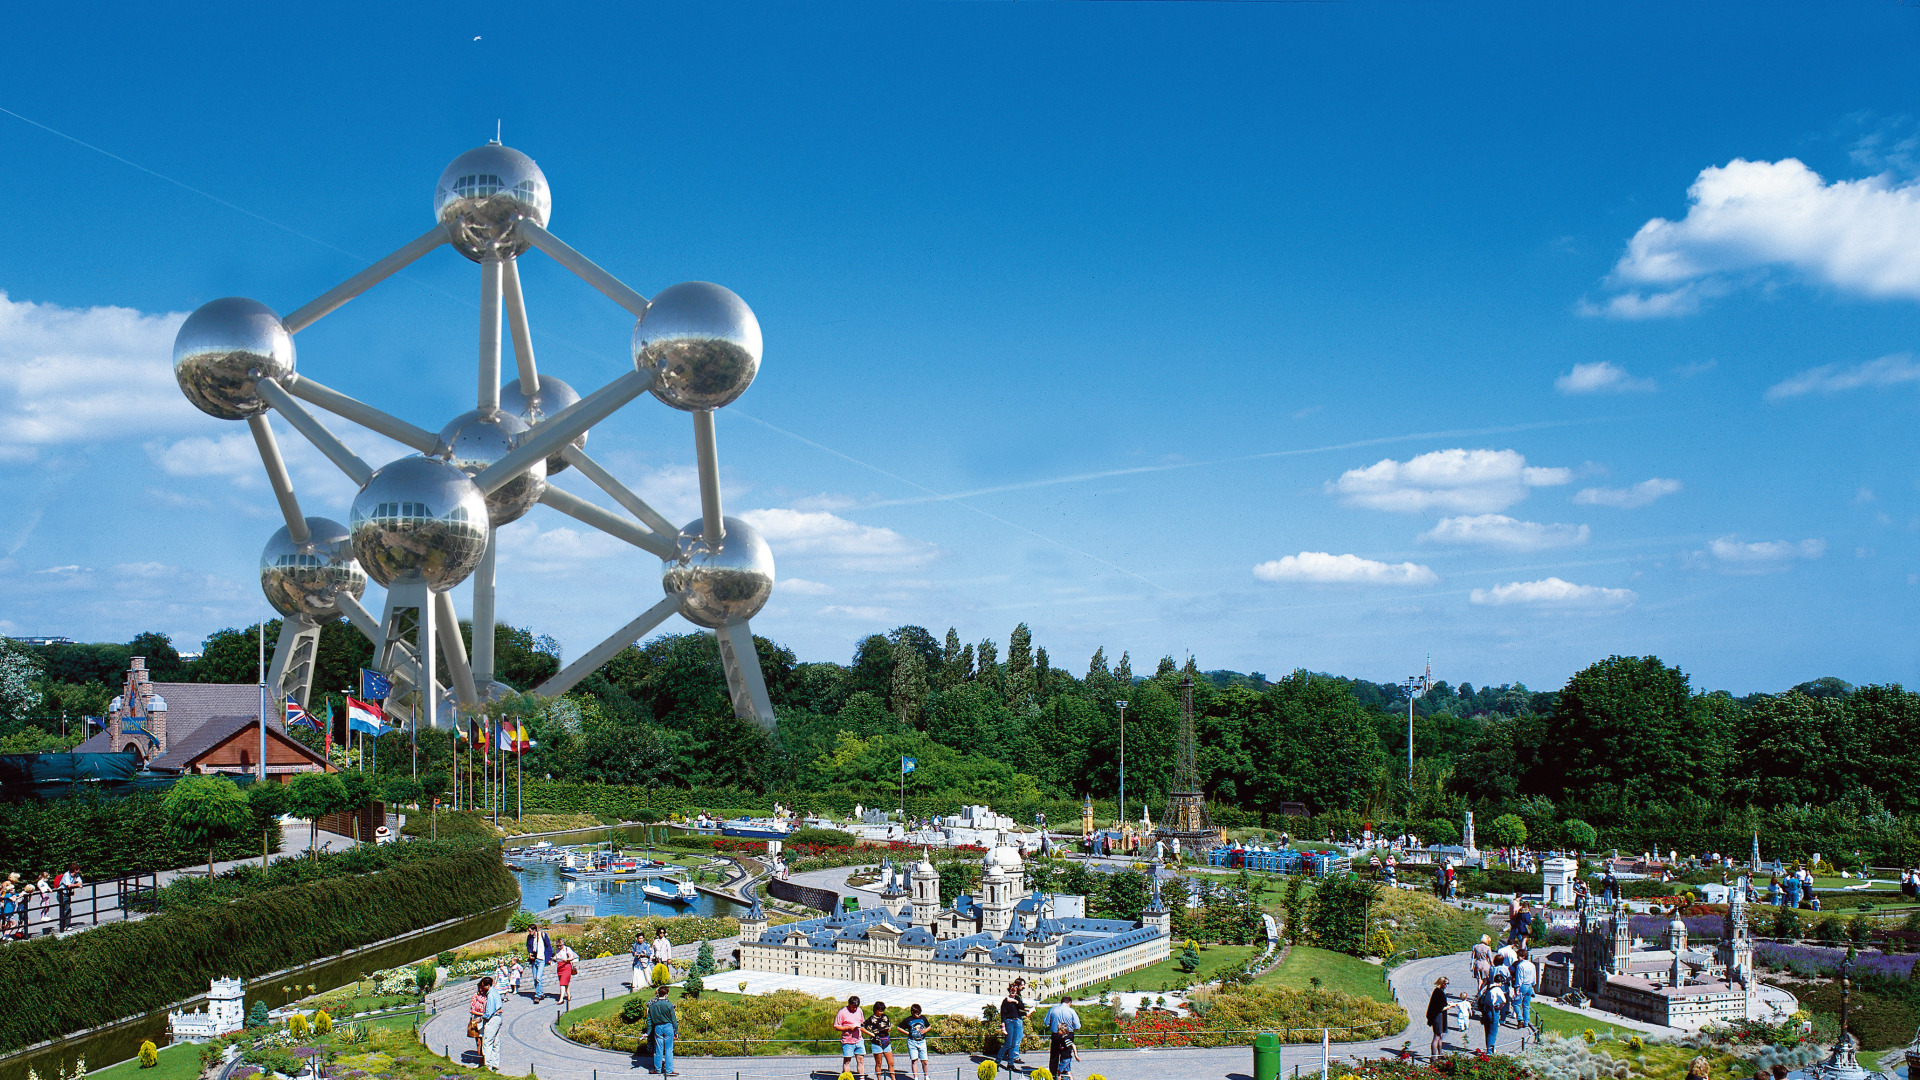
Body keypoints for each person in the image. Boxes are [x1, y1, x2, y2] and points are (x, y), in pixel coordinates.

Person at [1044, 996, 1082, 1078]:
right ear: (1069, 1003)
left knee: (1054, 1054)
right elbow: (1077, 1026)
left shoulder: (1052, 1009)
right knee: (1066, 1054)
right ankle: (1065, 1072)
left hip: (1056, 1034)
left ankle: (1053, 1073)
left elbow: (1046, 1022)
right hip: (1068, 1034)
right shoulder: (1071, 1011)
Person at [998, 981, 1029, 1073]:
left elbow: (1022, 1007)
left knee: (1013, 1044)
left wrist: (1015, 1001)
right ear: (1009, 991)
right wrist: (1003, 1026)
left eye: (1014, 991)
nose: (1013, 992)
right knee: (1007, 1044)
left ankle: (1010, 1064)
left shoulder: (1017, 999)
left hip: (1016, 1021)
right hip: (1009, 1022)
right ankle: (997, 1062)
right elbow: (1003, 1014)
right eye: (1011, 991)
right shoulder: (1005, 1001)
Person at [646, 986, 677, 1077]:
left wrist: (648, 1032)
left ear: (658, 994)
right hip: (668, 1027)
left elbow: (649, 1021)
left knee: (658, 1049)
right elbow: (673, 1019)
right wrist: (676, 1031)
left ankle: (657, 1069)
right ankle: (669, 1070)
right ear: (666, 994)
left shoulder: (652, 1006)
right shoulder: (668, 1005)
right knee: (668, 1049)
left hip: (657, 1028)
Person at [834, 996, 866, 1080]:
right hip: (847, 1041)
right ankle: (847, 1078)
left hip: (859, 1040)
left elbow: (862, 1023)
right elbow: (836, 1026)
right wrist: (848, 1028)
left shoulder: (859, 1010)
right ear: (849, 1004)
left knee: (861, 1060)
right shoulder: (842, 1012)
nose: (855, 1009)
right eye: (853, 1007)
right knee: (847, 1061)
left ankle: (861, 1078)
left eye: (856, 1007)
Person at [1477, 973, 1508, 1052]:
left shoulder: (1486, 987)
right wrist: (1500, 1007)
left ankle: (1488, 1047)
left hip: (1485, 1011)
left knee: (1487, 1031)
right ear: (1500, 982)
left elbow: (1479, 996)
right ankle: (1490, 1051)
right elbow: (1504, 1001)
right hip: (1493, 1011)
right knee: (1493, 1032)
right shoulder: (1497, 989)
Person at [900, 1003, 932, 1080]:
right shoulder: (908, 1020)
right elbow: (899, 1028)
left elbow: (929, 1026)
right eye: (917, 1014)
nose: (919, 1015)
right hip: (912, 1042)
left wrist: (925, 1031)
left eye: (919, 1013)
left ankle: (926, 1076)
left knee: (925, 1061)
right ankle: (916, 1077)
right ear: (912, 1012)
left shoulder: (923, 1018)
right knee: (914, 1061)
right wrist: (907, 1033)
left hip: (921, 1041)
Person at [867, 1001, 895, 1080]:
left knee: (891, 1062)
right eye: (880, 1010)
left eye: (882, 1010)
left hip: (886, 1041)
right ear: (875, 1010)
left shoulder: (885, 1017)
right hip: (876, 1042)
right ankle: (879, 1078)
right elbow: (863, 1027)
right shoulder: (871, 1019)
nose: (881, 1012)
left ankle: (893, 1078)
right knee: (879, 1063)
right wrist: (872, 1034)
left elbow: (889, 1027)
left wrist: (887, 1030)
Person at [525, 924, 554, 1000]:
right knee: (535, 978)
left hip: (541, 959)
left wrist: (547, 958)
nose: (529, 932)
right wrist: (530, 953)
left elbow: (548, 946)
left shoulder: (542, 935)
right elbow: (528, 946)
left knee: (539, 977)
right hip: (534, 959)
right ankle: (541, 993)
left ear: (534, 930)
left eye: (530, 931)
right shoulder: (529, 937)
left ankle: (537, 995)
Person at [1426, 976, 1452, 1059]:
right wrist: (1450, 1006)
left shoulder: (1439, 992)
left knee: (1440, 1036)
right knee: (1437, 1036)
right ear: (1442, 983)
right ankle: (1433, 1057)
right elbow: (1440, 1007)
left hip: (1439, 1016)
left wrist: (1447, 1004)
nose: (1447, 985)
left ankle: (1440, 1054)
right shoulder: (1439, 993)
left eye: (1448, 983)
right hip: (1438, 1016)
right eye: (1446, 983)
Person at [1512, 947, 1536, 1027]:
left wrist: (1517, 988)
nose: (1517, 958)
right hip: (1529, 986)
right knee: (1526, 1005)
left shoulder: (1520, 965)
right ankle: (1526, 1022)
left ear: (1523, 956)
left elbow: (1519, 978)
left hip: (1522, 986)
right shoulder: (1532, 965)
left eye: (1518, 956)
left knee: (1516, 1004)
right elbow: (1534, 978)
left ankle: (1520, 1018)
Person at [54, 863, 81, 932]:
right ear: (75, 870)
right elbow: (69, 885)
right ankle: (65, 926)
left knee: (67, 909)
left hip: (67, 894)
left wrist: (77, 884)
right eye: (78, 869)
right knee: (66, 909)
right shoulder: (66, 875)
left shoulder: (76, 875)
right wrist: (77, 885)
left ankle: (65, 925)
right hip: (62, 894)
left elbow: (80, 882)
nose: (79, 870)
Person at [554, 941, 578, 1006]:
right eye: (557, 946)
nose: (559, 947)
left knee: (562, 983)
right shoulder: (557, 950)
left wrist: (566, 960)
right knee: (565, 982)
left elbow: (572, 957)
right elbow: (556, 957)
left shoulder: (567, 949)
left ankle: (561, 998)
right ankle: (569, 995)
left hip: (566, 966)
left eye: (560, 946)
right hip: (560, 967)